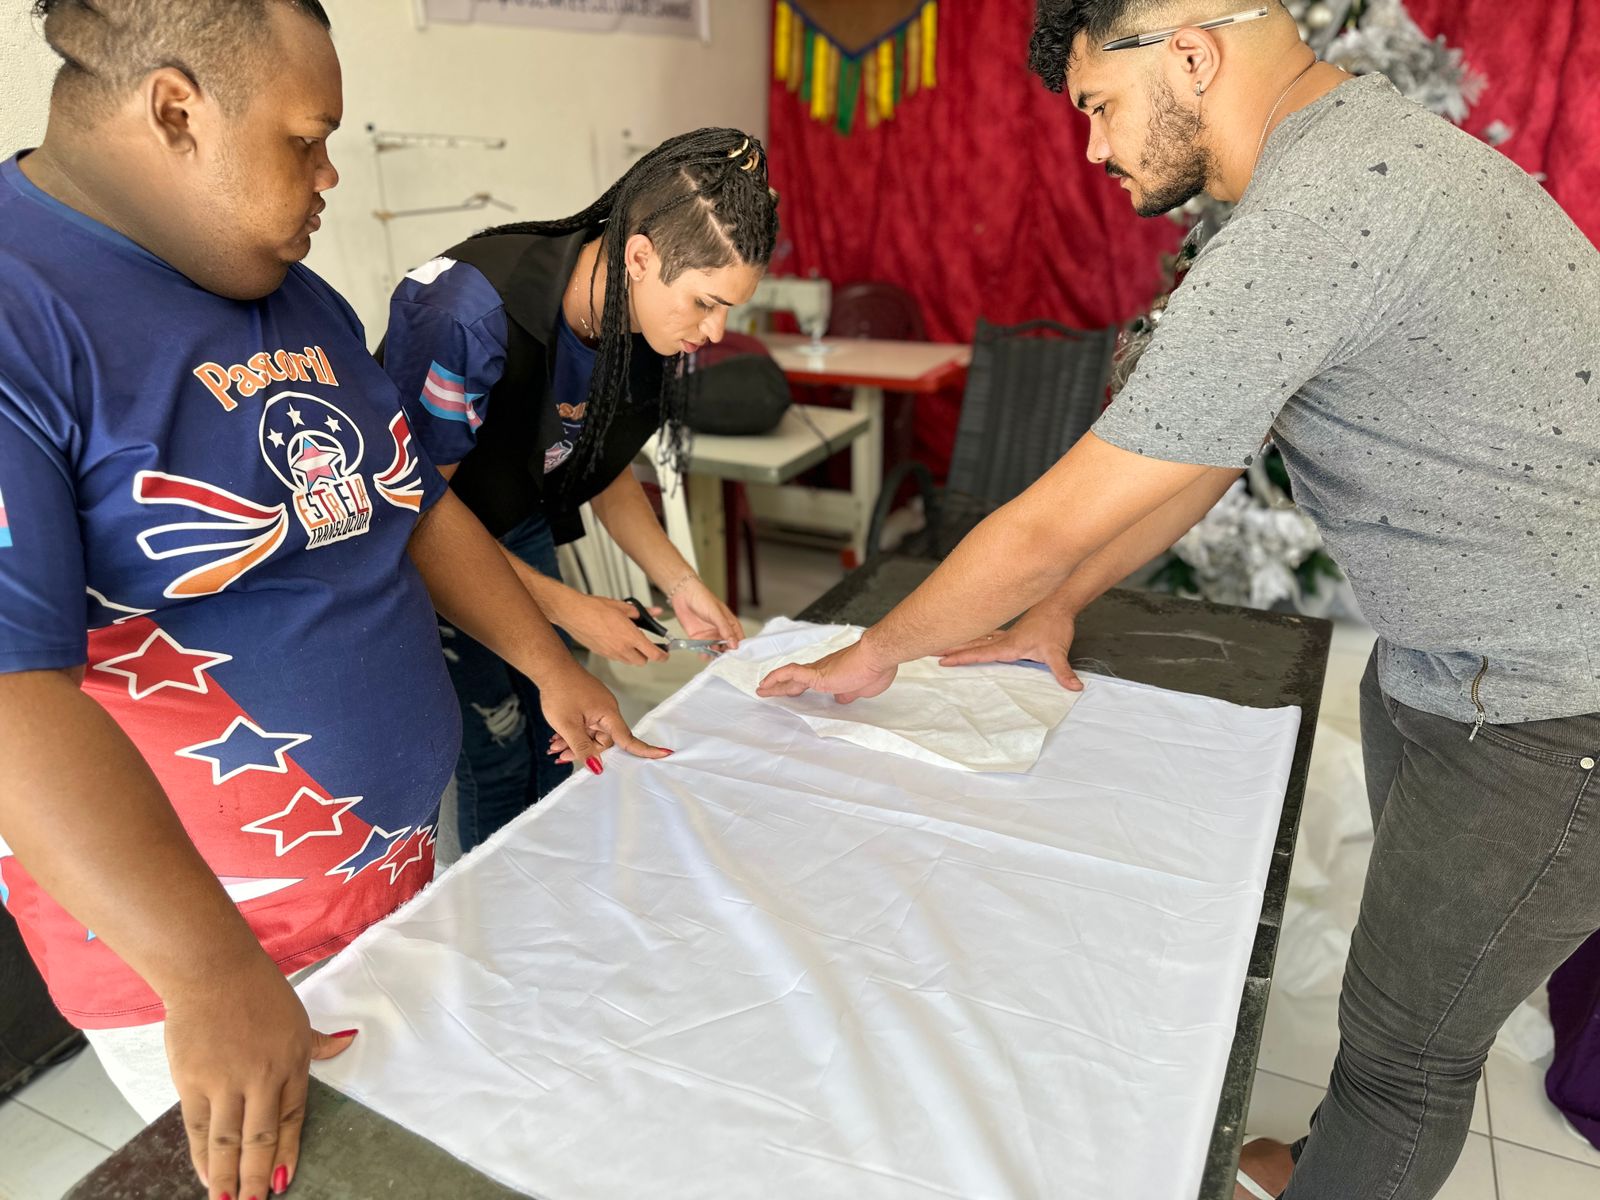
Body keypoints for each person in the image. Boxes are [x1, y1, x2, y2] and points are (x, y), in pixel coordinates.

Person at [756, 3, 1600, 1198]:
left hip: (1550, 705)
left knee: (1407, 1060)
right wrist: (1060, 606)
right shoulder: (1351, 158)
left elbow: (1048, 518)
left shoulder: (1318, 211)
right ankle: (1326, 1162)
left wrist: (873, 654)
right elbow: (1199, 453)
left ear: (1192, 57)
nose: (1094, 148)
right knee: (1397, 992)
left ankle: (1351, 1161)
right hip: (1444, 659)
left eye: (1099, 107)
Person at [0, 4, 662, 1199]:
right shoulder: (20, 312)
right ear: (175, 110)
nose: (329, 174)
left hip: (387, 891)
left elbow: (408, 504)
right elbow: (10, 697)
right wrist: (208, 974)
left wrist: (548, 662)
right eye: (305, 140)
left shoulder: (287, 293)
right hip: (213, 962)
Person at [380, 129, 777, 850]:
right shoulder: (464, 315)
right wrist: (572, 613)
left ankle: (551, 891)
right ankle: (503, 907)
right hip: (428, 540)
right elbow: (417, 515)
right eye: (705, 302)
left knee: (558, 739)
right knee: (498, 748)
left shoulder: (641, 319)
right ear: (640, 257)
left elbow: (596, 459)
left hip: (516, 516)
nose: (717, 331)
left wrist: (680, 583)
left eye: (730, 309)